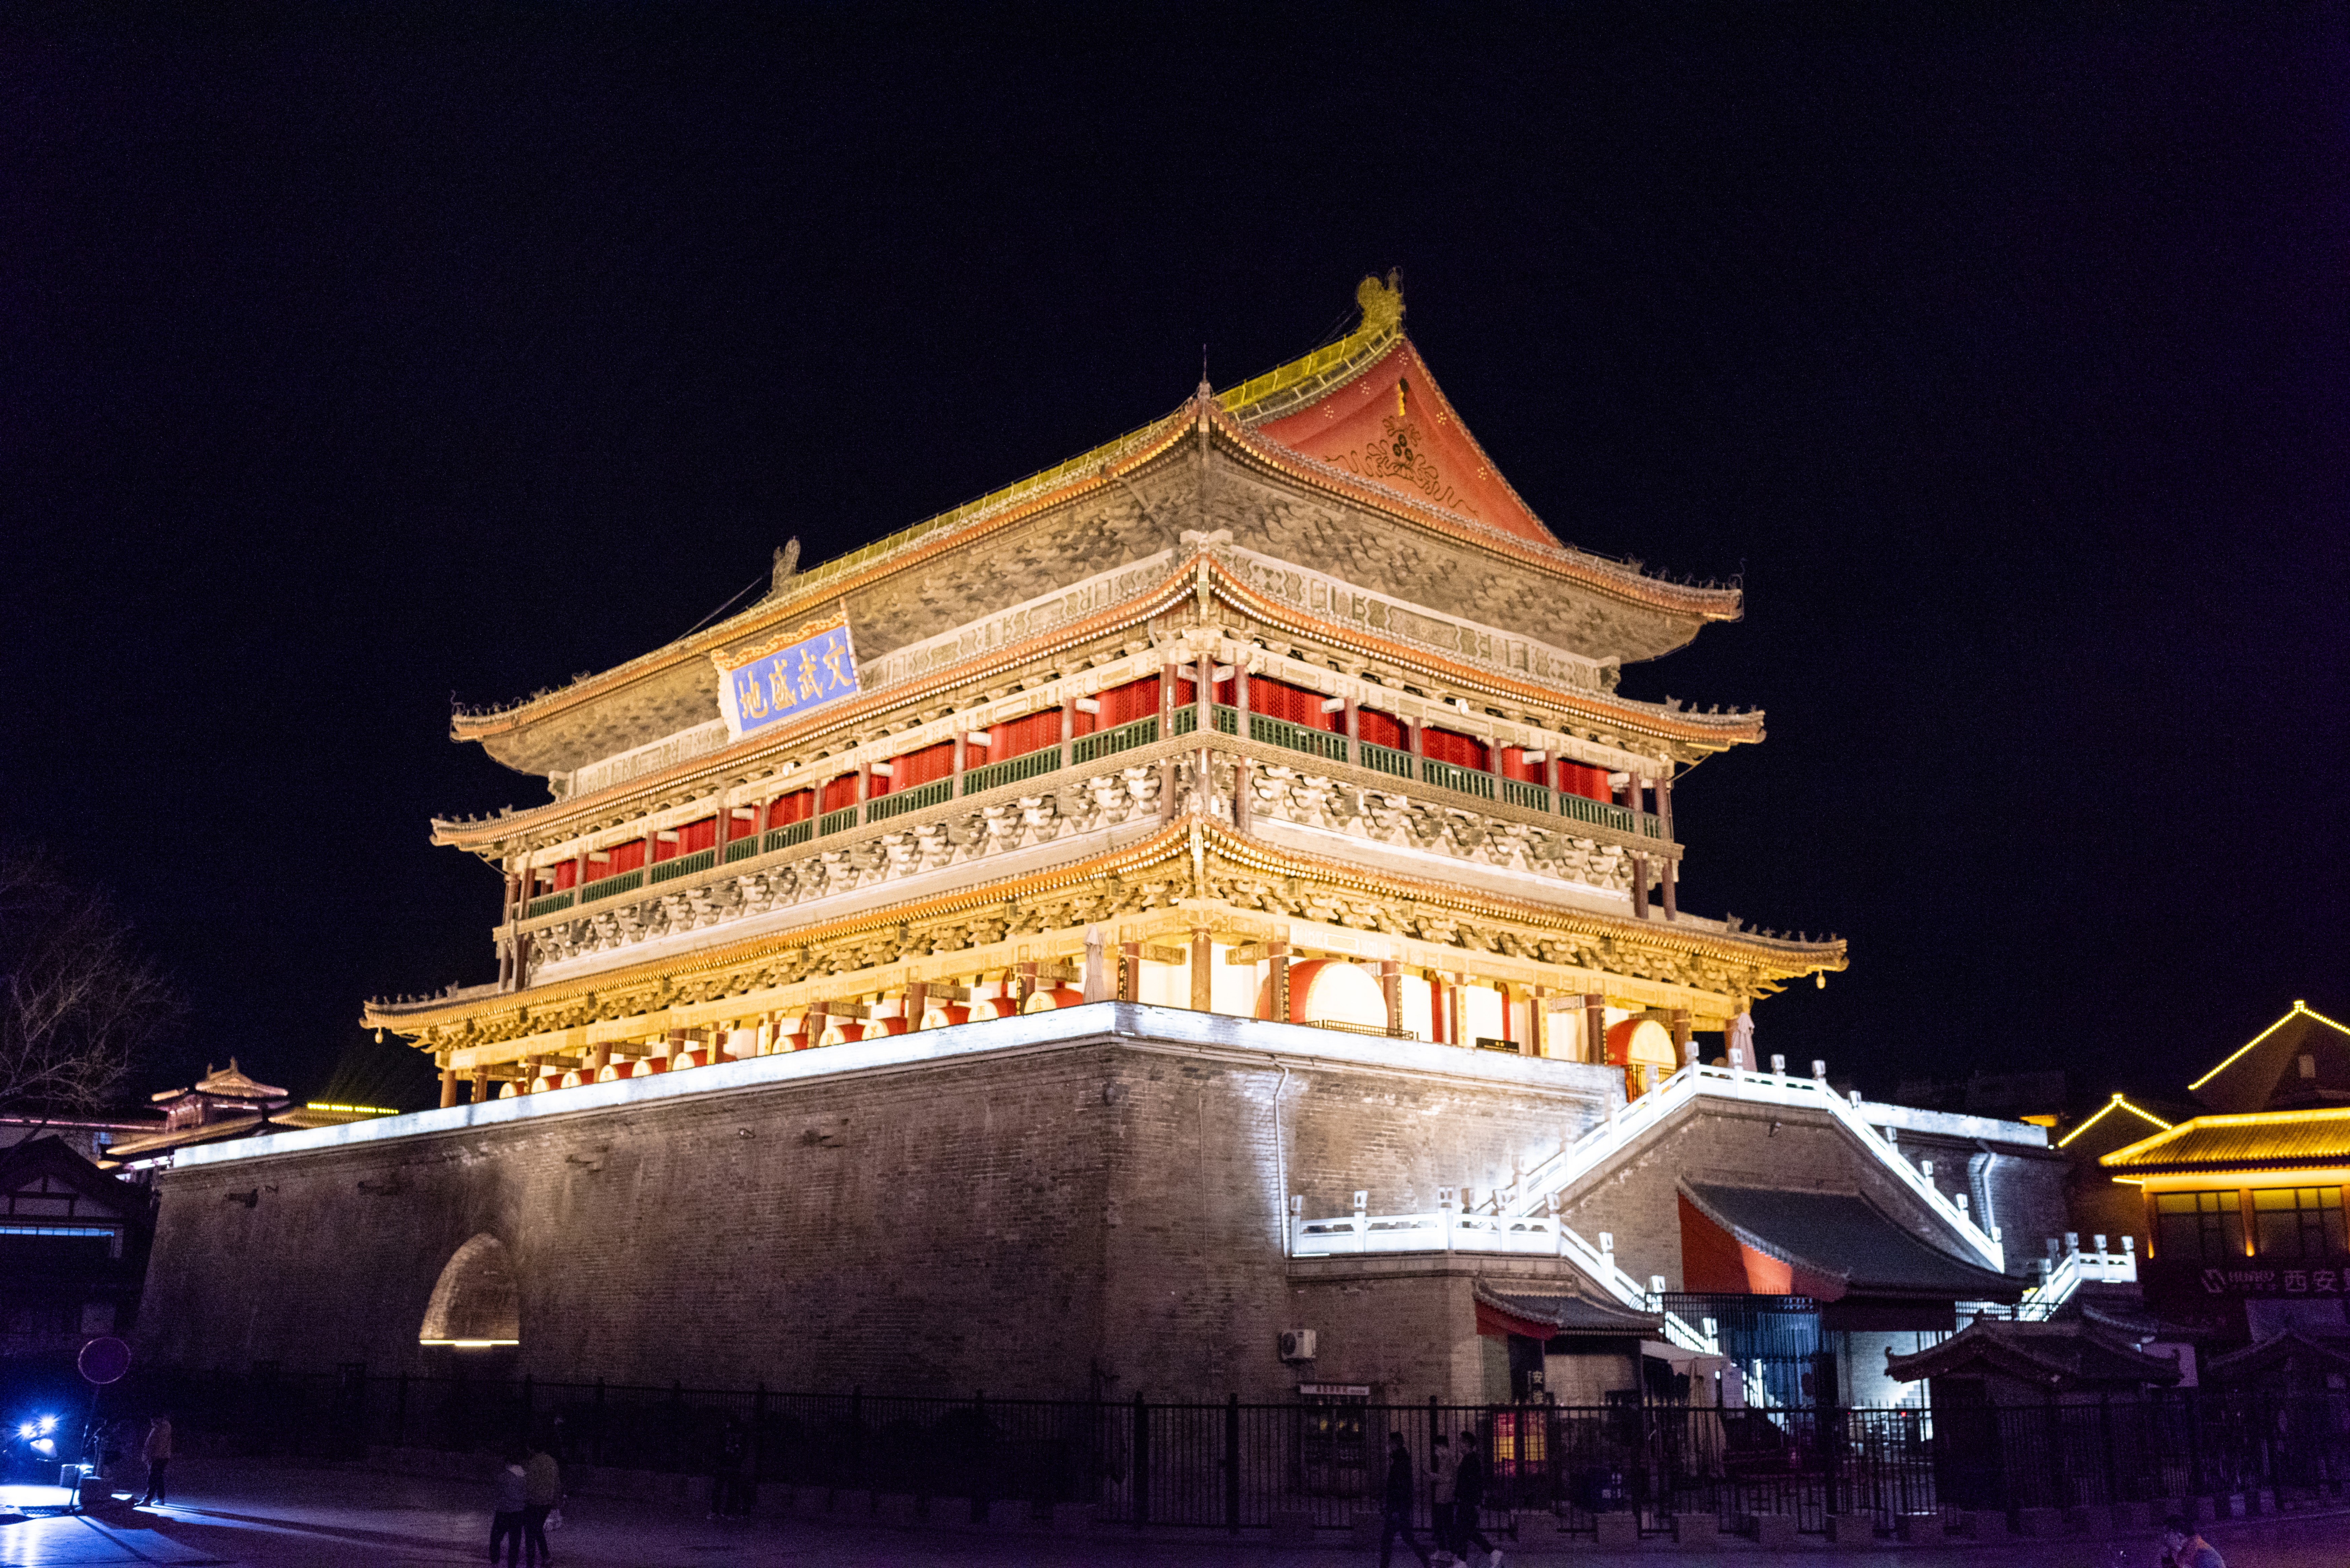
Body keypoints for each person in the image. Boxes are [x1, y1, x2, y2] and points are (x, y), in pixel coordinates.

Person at [1378, 1431, 1432, 1568]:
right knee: (1406, 1538)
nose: (1388, 1446)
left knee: (1389, 1540)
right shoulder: (1400, 1460)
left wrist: (1394, 1508)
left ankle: (1426, 1562)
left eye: (1390, 1444)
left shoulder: (1400, 1462)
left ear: (1395, 1444)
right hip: (1400, 1508)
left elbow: (1400, 1488)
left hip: (1398, 1508)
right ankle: (1427, 1562)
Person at [1450, 1430, 1502, 1567]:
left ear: (1466, 1444)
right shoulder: (1470, 1459)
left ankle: (1464, 1561)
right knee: (1467, 1532)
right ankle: (1490, 1554)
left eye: (1461, 1442)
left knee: (1464, 1531)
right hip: (1468, 1501)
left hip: (1468, 1502)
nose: (1459, 1445)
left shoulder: (1471, 1461)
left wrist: (1475, 1502)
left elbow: (1475, 1483)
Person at [490, 1444, 528, 1568]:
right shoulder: (525, 1476)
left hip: (504, 1511)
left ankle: (495, 1559)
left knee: (496, 1537)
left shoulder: (504, 1477)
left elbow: (498, 1492)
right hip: (519, 1512)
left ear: (508, 1463)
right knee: (515, 1541)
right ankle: (512, 1564)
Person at [523, 1442, 560, 1565]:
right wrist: (555, 1501)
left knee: (530, 1532)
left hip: (534, 1502)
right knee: (538, 1529)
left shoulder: (532, 1463)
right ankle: (546, 1557)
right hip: (547, 1503)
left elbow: (528, 1483)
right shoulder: (552, 1462)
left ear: (532, 1449)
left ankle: (531, 1560)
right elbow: (557, 1484)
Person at [1426, 1433, 1453, 1561]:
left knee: (1443, 1526)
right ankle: (1445, 1551)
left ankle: (1446, 1552)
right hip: (1442, 1497)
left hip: (1445, 1497)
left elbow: (1448, 1478)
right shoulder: (1444, 1459)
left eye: (1437, 1448)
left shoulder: (1448, 1459)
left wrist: (1433, 1476)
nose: (1436, 1452)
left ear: (1442, 1446)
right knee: (1442, 1526)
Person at [2159, 1516, 2224, 1568]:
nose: (2165, 1537)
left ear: (2179, 1534)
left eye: (2167, 1533)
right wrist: (2167, 1559)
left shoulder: (2204, 1556)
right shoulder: (2187, 1553)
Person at [137, 1414, 172, 1506]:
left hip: (158, 1457)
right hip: (161, 1456)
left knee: (152, 1478)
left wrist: (151, 1456)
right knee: (158, 1477)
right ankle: (161, 1499)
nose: (151, 1421)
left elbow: (158, 1444)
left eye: (153, 1418)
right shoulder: (160, 1427)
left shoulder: (162, 1428)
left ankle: (148, 1499)